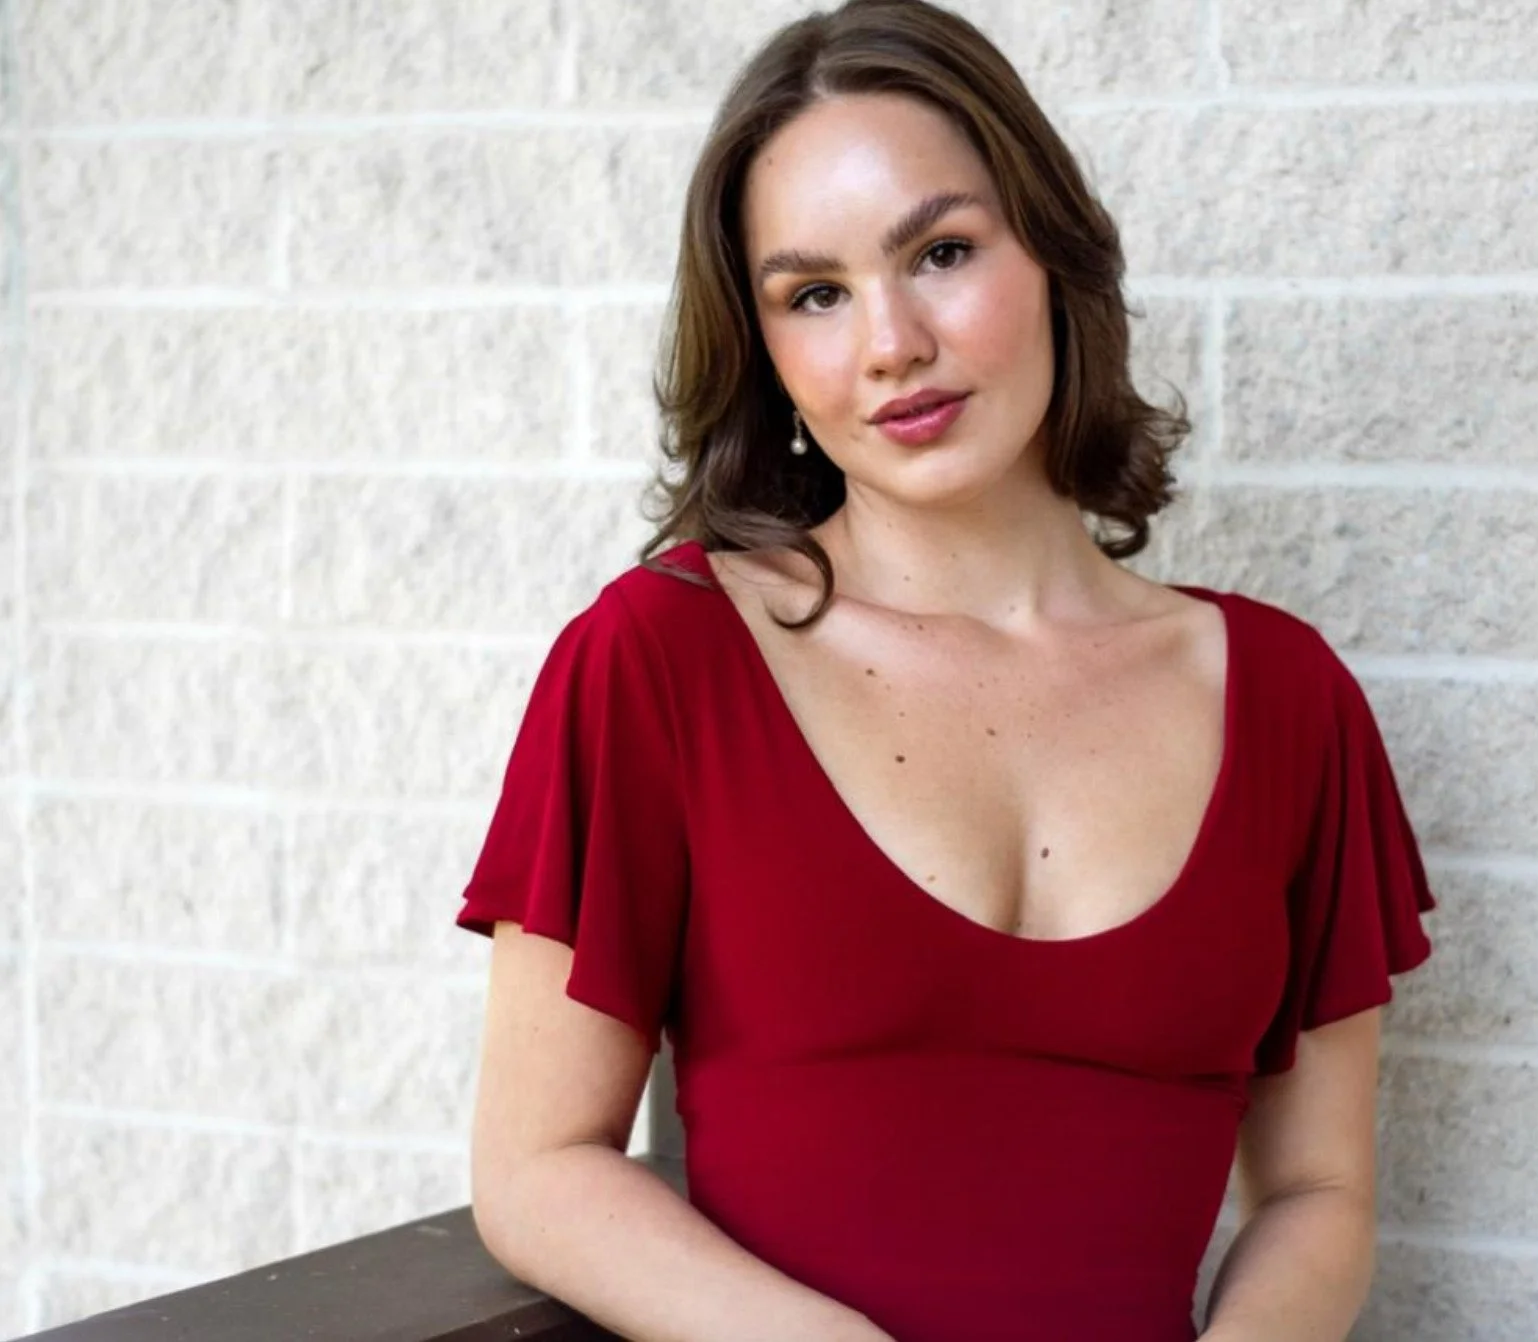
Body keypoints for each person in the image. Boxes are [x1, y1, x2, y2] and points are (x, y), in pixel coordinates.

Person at [455, 2, 1437, 1339]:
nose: (891, 343)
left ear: (1055, 255)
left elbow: (1319, 1188)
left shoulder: (1281, 695)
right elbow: (537, 1168)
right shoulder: (661, 660)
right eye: (815, 293)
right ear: (766, 349)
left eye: (943, 252)